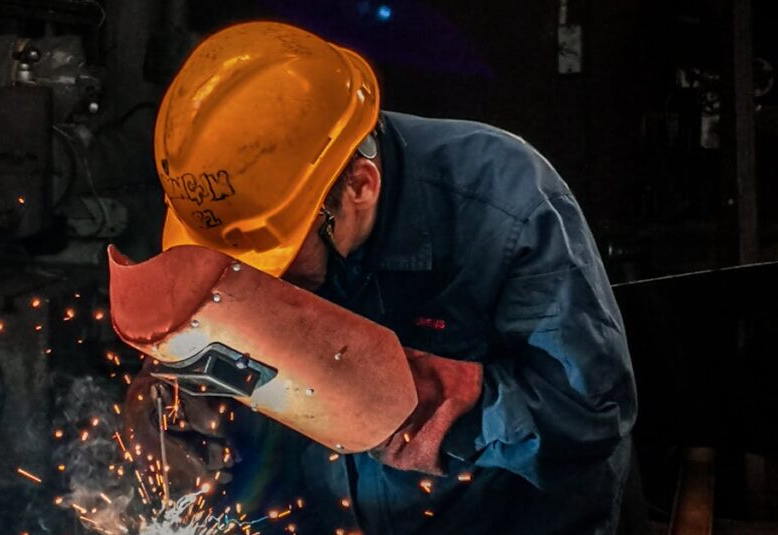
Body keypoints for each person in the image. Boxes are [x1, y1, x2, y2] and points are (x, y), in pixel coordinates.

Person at [119, 21, 637, 535]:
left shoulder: (505, 202)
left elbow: (591, 417)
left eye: (274, 255)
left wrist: (415, 401)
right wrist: (175, 397)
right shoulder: (243, 207)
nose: (258, 279)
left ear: (359, 187)